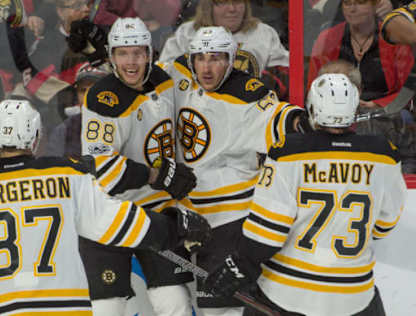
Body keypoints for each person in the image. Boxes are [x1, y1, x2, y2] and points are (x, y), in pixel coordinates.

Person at [0, 98, 211, 314]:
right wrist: (173, 226)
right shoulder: (66, 175)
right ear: (35, 137)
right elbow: (114, 223)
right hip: (63, 309)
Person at [203, 73, 407, 316]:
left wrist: (237, 266)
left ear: (311, 108)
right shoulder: (383, 155)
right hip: (353, 296)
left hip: (287, 294)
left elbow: (267, 234)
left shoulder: (287, 153)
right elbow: (384, 226)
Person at [161, 26, 304, 316]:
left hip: (229, 219)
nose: (207, 67)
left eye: (216, 58)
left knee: (221, 311)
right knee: (171, 301)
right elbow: (138, 73)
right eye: (200, 58)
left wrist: (308, 121)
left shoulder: (247, 93)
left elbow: (281, 119)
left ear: (231, 59)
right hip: (184, 216)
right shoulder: (178, 73)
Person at [80, 17, 198, 316]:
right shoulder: (102, 99)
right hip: (110, 213)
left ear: (149, 53)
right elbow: (103, 167)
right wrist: (159, 175)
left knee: (175, 302)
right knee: (106, 308)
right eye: (122, 53)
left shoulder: (165, 80)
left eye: (138, 52)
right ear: (111, 56)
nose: (131, 61)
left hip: (158, 213)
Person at [159, 0, 289, 97]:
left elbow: (286, 75)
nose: (232, 9)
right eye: (223, 2)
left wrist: (269, 83)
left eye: (238, 2)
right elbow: (163, 77)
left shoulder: (263, 33)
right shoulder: (187, 34)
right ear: (208, 6)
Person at [308, 0, 414, 109]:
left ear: (376, 6)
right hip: (336, 111)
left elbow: (407, 89)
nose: (352, 9)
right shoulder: (327, 38)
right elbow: (314, 86)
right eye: (347, 3)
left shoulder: (393, 37)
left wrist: (378, 105)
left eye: (360, 2)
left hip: (386, 114)